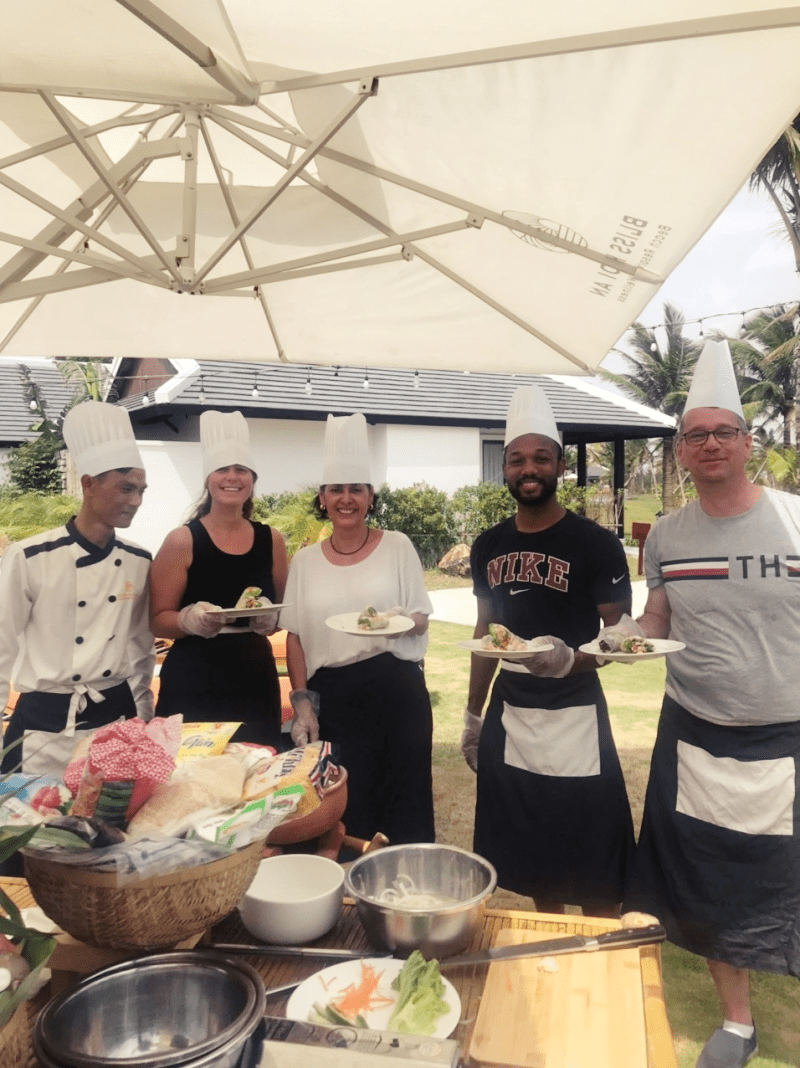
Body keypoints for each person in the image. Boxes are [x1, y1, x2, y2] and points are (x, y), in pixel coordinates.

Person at [622, 339, 800, 1068]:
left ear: (747, 442)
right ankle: (736, 1023)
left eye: (724, 431)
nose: (711, 444)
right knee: (706, 878)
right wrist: (617, 639)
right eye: (697, 435)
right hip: (694, 731)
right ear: (682, 451)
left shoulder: (794, 520)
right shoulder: (666, 534)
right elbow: (655, 623)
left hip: (787, 734)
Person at [461, 385, 635, 917]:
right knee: (532, 850)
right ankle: (551, 944)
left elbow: (621, 635)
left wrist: (572, 659)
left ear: (560, 465)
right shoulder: (488, 544)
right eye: (517, 459)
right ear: (506, 470)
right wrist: (472, 714)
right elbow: (486, 631)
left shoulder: (594, 543)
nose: (528, 468)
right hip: (511, 713)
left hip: (575, 711)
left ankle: (602, 956)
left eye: (540, 458)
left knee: (594, 854)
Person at [281, 412, 435, 846]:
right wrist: (304, 706)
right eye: (336, 490)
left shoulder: (397, 545)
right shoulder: (305, 562)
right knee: (344, 809)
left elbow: (421, 616)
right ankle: (346, 906)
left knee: (405, 805)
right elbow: (295, 636)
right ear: (322, 497)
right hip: (334, 700)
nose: (346, 499)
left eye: (356, 489)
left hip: (396, 691)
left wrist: (397, 624)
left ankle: (405, 902)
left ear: (370, 496)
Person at [0, 400, 154, 777]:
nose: (135, 501)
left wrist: (144, 717)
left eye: (141, 490)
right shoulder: (31, 556)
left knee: (112, 829)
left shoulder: (139, 560)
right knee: (32, 828)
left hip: (116, 717)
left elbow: (140, 647)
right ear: (88, 484)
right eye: (125, 489)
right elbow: (2, 644)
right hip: (44, 721)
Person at [150, 410, 288, 749]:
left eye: (241, 469)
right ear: (208, 478)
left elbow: (283, 615)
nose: (232, 477)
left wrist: (271, 618)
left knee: (255, 773)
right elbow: (156, 620)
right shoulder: (181, 540)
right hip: (193, 678)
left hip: (254, 677)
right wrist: (188, 620)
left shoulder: (273, 540)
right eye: (222, 469)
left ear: (252, 479)